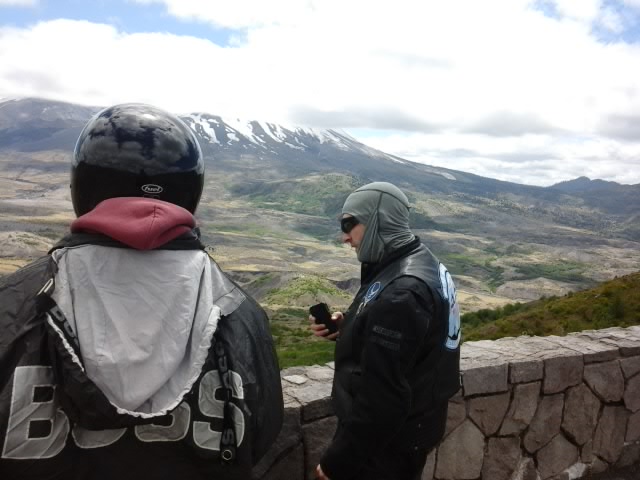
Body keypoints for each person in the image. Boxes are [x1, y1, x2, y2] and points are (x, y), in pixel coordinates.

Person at [0, 103, 283, 479]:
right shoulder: (238, 310)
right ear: (191, 189)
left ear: (81, 184)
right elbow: (264, 427)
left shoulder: (14, 302)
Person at [310, 182, 461, 480]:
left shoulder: (403, 293)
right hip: (407, 433)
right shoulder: (421, 262)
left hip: (382, 449)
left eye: (349, 224)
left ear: (378, 219)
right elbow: (414, 340)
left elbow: (383, 399)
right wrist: (351, 326)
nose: (344, 237)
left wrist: (336, 464)